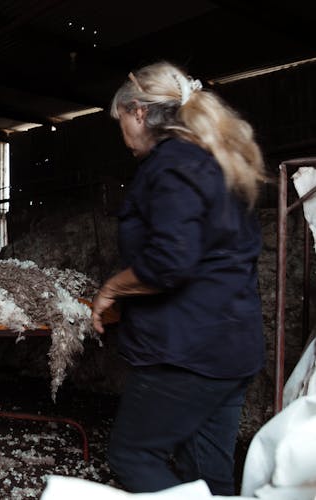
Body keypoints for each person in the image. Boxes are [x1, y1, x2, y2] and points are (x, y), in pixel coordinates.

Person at [90, 61, 267, 495]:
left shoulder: (172, 165)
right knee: (206, 473)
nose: (123, 137)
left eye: (121, 122)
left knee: (132, 456)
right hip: (232, 350)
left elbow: (171, 262)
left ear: (137, 112)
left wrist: (111, 288)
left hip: (187, 352)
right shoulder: (215, 160)